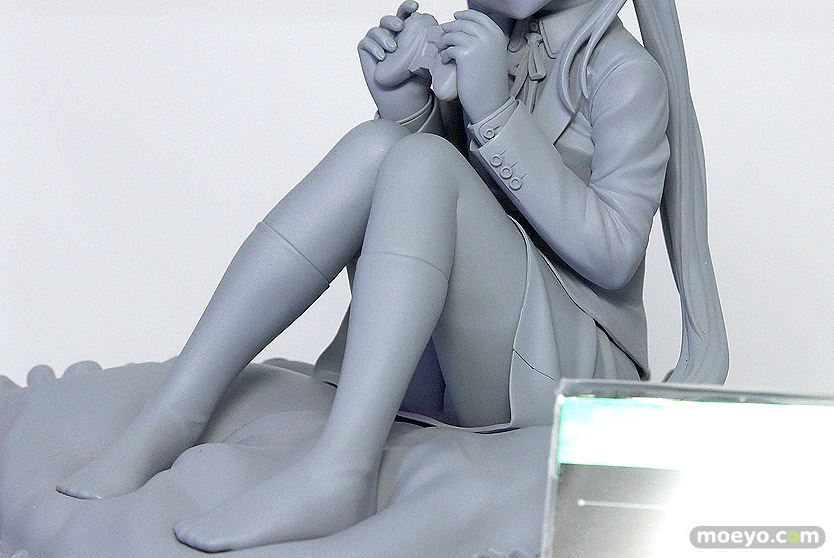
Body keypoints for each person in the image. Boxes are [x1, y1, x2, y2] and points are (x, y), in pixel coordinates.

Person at [56, 0, 728, 551]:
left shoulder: (624, 74)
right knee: (378, 146)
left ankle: (341, 469)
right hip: (467, 359)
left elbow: (613, 253)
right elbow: (462, 210)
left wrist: (496, 115)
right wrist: (408, 107)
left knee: (422, 164)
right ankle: (177, 407)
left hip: (558, 365)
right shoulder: (492, 38)